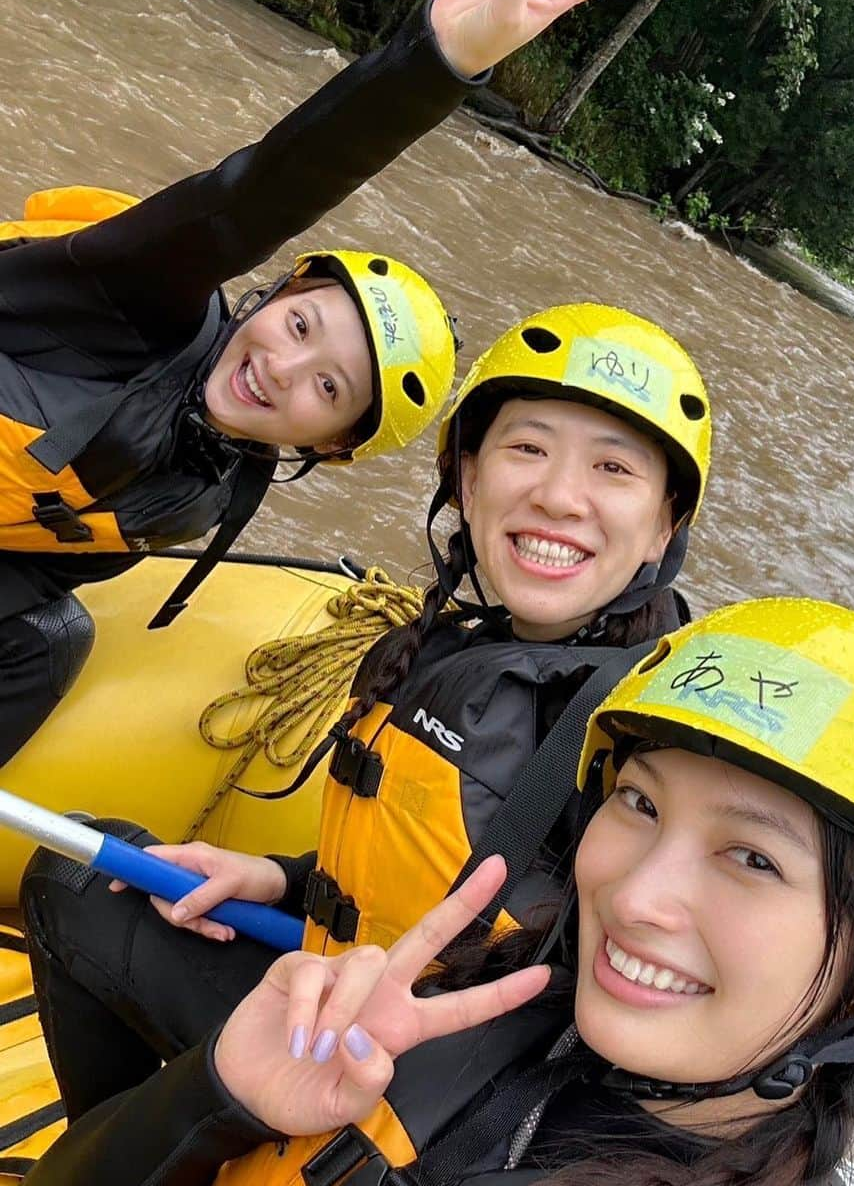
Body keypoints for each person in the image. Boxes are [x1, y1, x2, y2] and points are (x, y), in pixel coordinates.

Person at [0, 597, 854, 1186]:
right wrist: (216, 1095)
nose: (637, 894)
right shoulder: (457, 1017)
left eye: (752, 860)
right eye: (638, 802)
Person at [21, 299, 713, 1124]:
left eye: (614, 469)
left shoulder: (652, 736)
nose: (560, 496)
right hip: (336, 989)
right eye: (527, 448)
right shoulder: (461, 646)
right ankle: (135, 1142)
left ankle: (128, 1164)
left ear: (662, 524)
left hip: (428, 1092)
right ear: (468, 479)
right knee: (90, 871)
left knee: (69, 880)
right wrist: (277, 878)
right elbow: (431, 864)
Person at [0, 0, 659, 764]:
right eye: (302, 327)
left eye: (327, 387)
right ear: (273, 295)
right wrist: (440, 59)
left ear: (330, 445)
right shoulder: (133, 300)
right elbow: (258, 193)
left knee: (51, 640)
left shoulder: (207, 491)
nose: (281, 367)